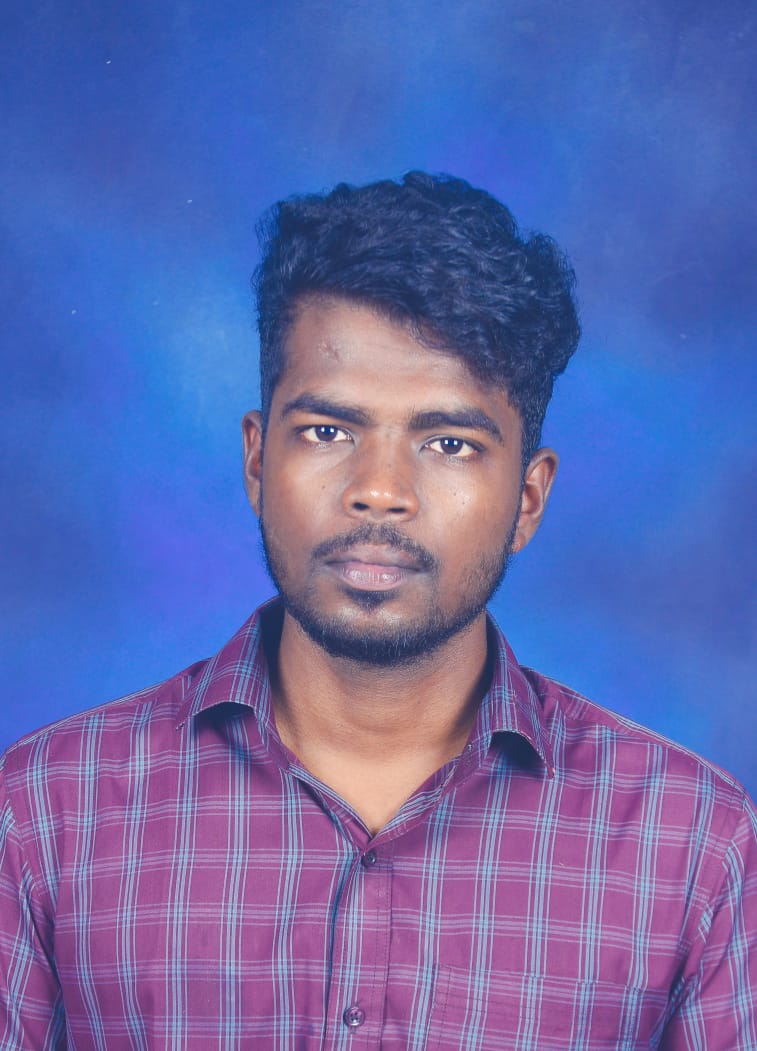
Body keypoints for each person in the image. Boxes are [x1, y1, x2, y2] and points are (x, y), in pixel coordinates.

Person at [0, 172, 754, 1050]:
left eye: (448, 443)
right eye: (328, 431)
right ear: (256, 459)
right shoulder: (47, 811)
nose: (379, 490)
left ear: (528, 497)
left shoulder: (693, 843)